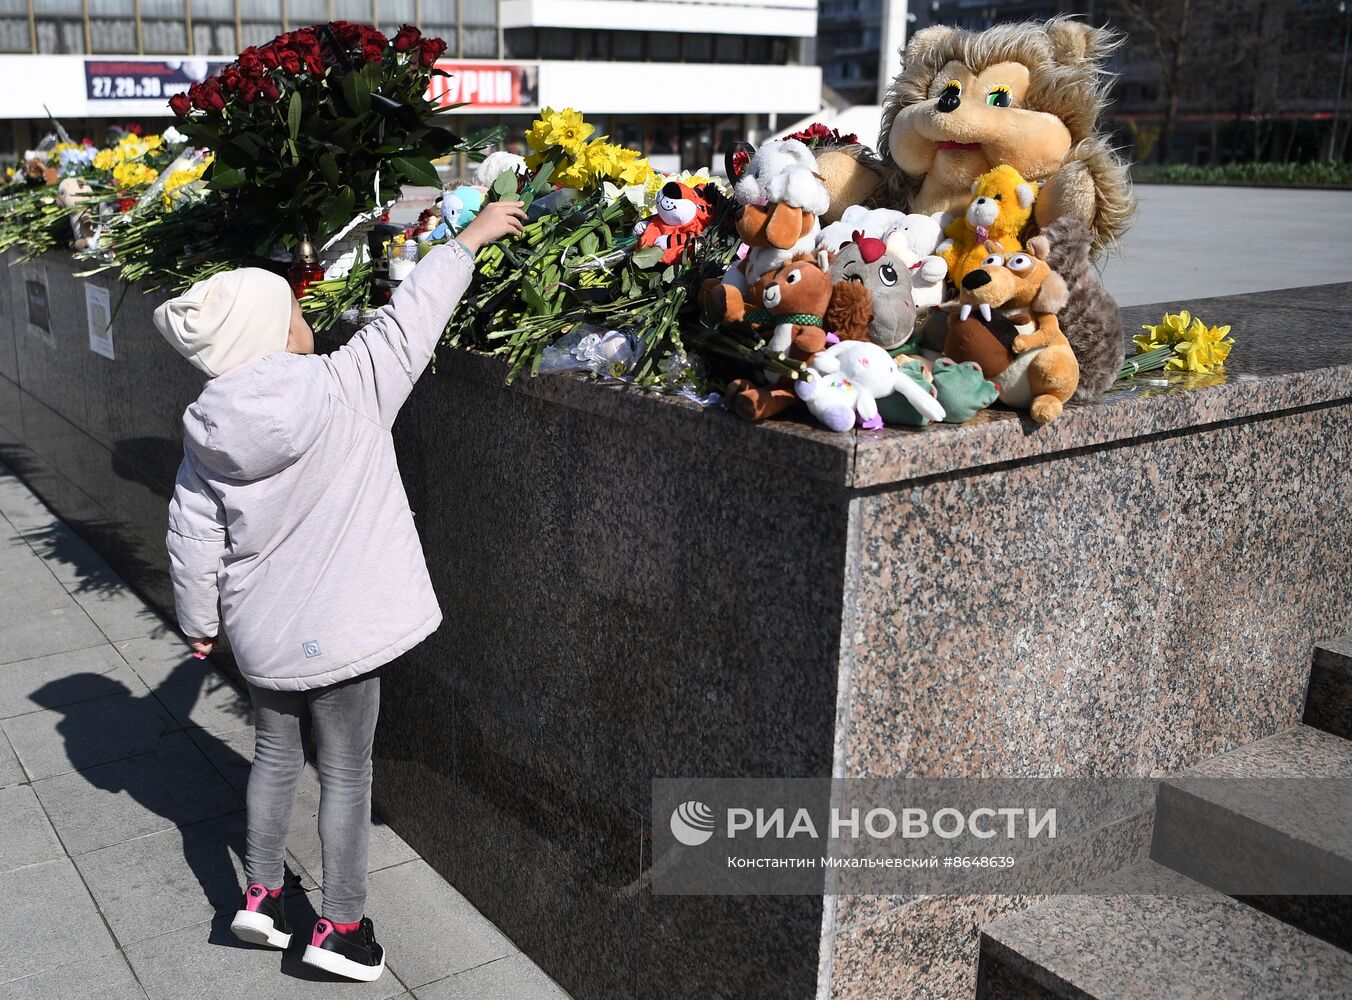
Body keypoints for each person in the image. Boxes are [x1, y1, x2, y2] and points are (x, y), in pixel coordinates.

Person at [153, 200, 526, 982]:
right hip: (347, 629)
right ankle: (341, 928)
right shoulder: (347, 383)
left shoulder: (207, 432)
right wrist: (469, 238)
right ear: (273, 334)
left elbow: (192, 537)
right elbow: (409, 319)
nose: (303, 316)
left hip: (263, 633)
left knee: (273, 756)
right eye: (293, 309)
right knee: (348, 772)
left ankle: (259, 893)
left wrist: (196, 623)